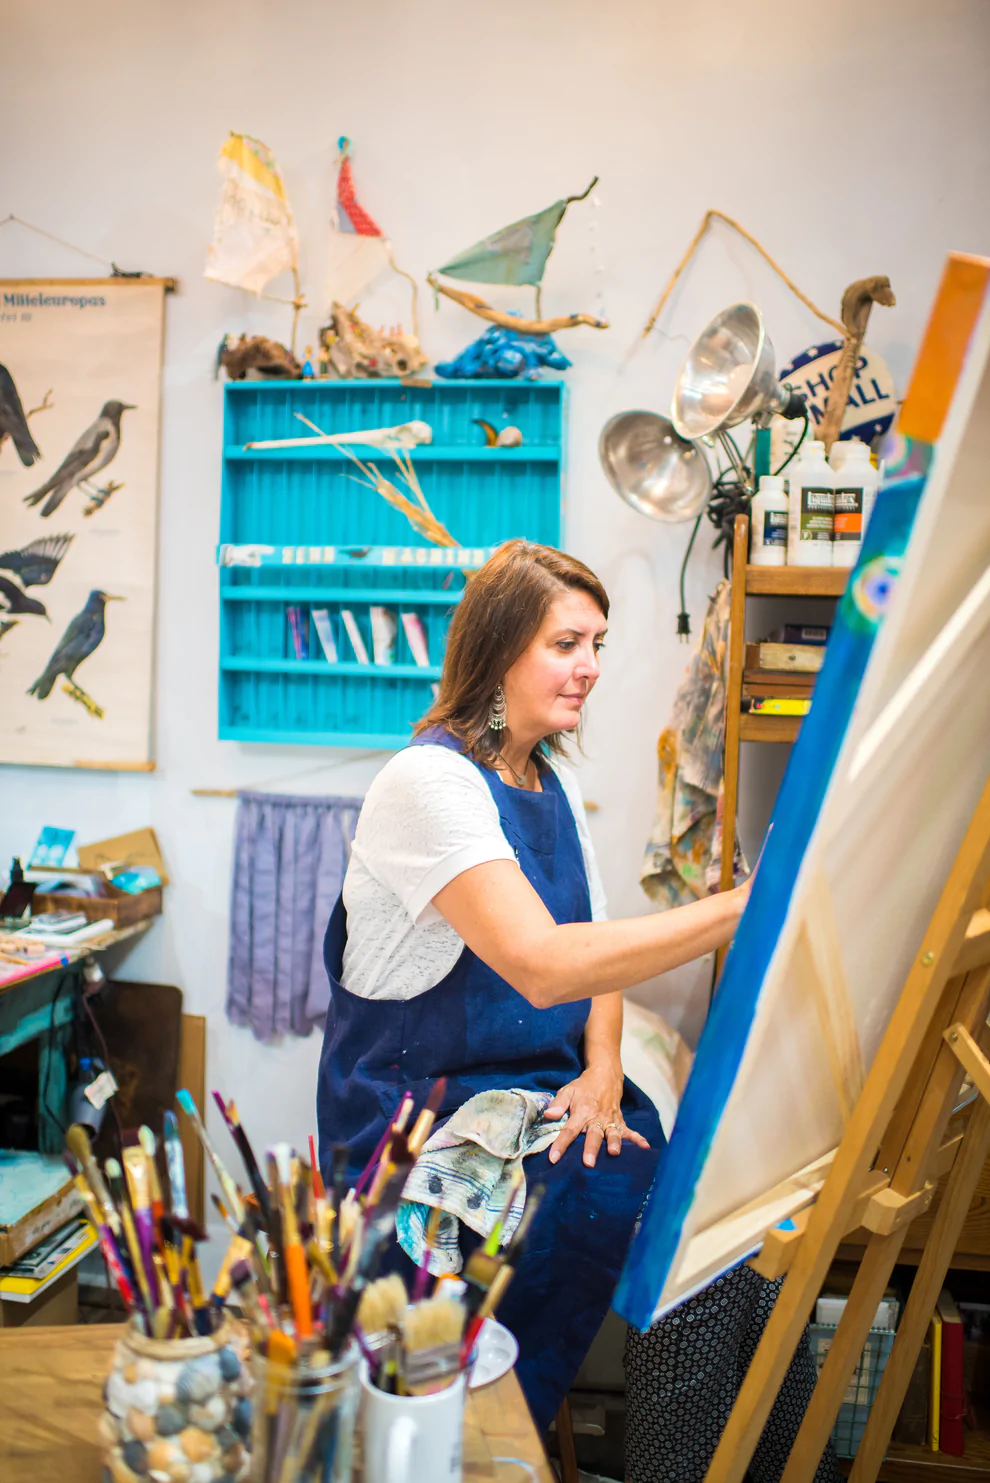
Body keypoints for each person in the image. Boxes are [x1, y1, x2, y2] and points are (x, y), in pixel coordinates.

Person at [316, 540, 834, 1479]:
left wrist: (602, 1069)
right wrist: (752, 903)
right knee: (674, 1241)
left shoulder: (550, 779)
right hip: (415, 1117)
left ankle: (733, 1461)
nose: (591, 664)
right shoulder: (428, 785)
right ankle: (546, 1448)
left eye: (597, 640)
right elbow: (544, 963)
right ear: (500, 647)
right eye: (566, 642)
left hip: (543, 1086)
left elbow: (597, 952)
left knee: (719, 1222)